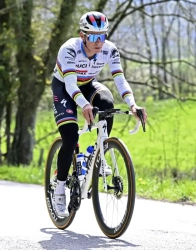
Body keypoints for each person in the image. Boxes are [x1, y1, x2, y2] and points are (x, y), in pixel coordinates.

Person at [51, 11, 147, 217]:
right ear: (82, 35)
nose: (99, 42)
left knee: (106, 103)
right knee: (70, 136)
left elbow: (119, 79)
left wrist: (133, 105)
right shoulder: (69, 49)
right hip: (64, 87)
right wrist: (84, 105)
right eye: (94, 37)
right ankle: (59, 189)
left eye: (102, 36)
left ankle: (98, 154)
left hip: (87, 84)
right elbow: (69, 83)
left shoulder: (110, 50)